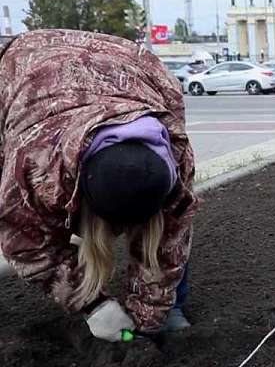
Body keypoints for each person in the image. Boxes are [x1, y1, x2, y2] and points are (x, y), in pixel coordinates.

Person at [0, 29, 199, 342]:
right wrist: (92, 305)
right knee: (36, 218)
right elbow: (26, 242)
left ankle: (170, 307)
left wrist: (150, 317)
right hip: (27, 67)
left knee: (169, 231)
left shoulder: (174, 156)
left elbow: (172, 231)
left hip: (129, 63)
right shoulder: (33, 164)